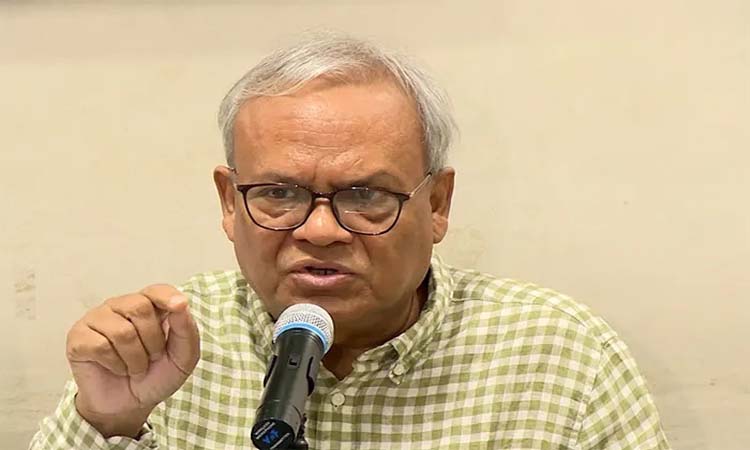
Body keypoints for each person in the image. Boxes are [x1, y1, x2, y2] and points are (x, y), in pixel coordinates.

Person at [30, 33, 671, 450]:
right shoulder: (163, 346)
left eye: (365, 195)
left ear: (437, 204)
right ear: (230, 202)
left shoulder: (560, 355)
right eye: (278, 193)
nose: (319, 231)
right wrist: (108, 422)